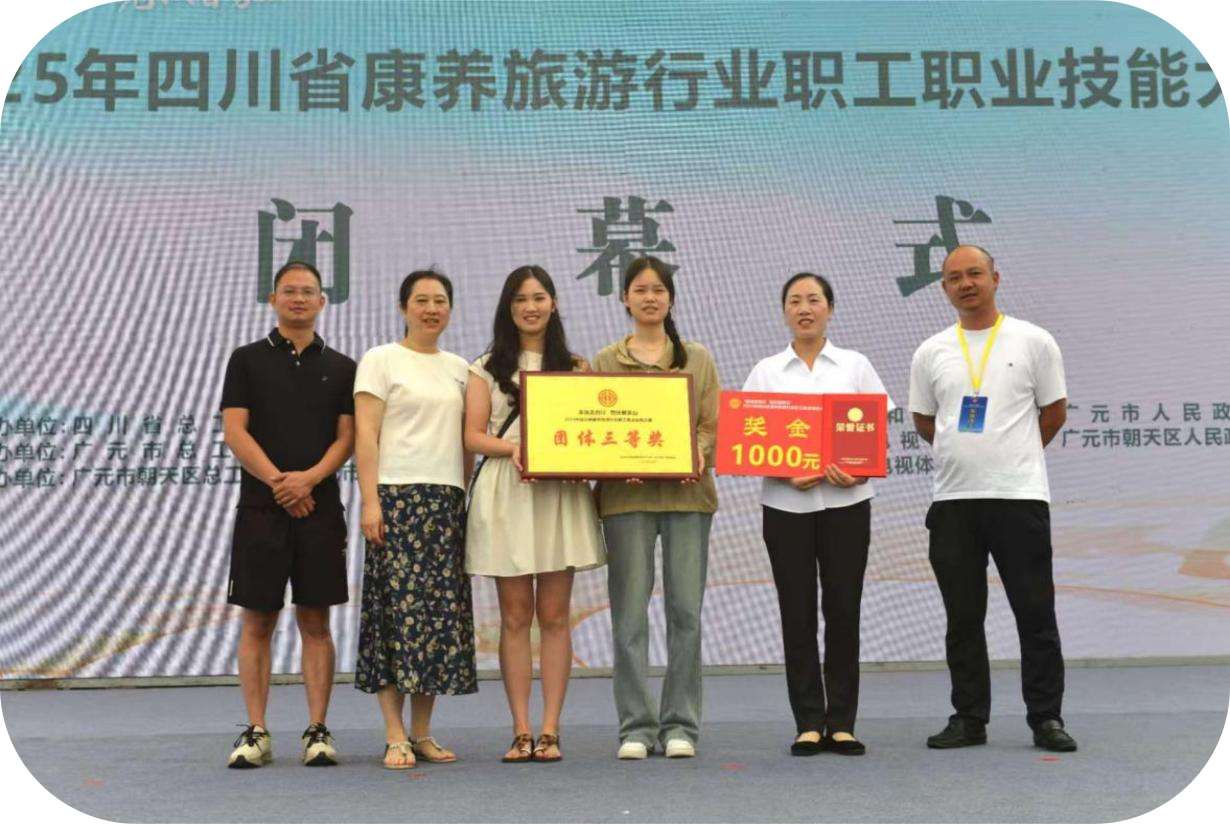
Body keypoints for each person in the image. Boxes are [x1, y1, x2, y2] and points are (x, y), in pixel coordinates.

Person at [909, 244, 1077, 753]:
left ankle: (1046, 718)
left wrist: (1011, 456)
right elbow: (925, 421)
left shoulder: (1034, 341)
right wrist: (968, 454)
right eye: (954, 277)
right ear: (944, 288)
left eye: (975, 273)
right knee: (962, 618)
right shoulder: (931, 351)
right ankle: (969, 717)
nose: (966, 284)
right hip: (954, 501)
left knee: (1035, 612)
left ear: (995, 278)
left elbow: (1054, 412)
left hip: (1018, 497)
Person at [742, 272, 893, 756]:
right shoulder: (766, 370)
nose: (804, 308)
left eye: (813, 300)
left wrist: (861, 471)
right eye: (795, 301)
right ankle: (808, 722)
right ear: (784, 312)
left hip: (847, 506)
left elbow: (877, 432)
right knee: (797, 611)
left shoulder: (855, 364)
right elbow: (748, 439)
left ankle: (842, 722)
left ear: (830, 308)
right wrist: (784, 471)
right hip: (785, 507)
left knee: (844, 610)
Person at [464, 265, 606, 763]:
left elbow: (593, 433)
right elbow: (472, 435)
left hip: (559, 494)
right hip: (509, 490)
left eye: (539, 297)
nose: (531, 307)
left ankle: (550, 730)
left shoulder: (576, 367)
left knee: (555, 616)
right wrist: (513, 450)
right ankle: (520, 729)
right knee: (515, 616)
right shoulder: (485, 367)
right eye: (521, 299)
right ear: (508, 308)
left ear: (554, 304)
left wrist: (584, 463)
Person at [221, 260, 356, 768]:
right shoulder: (246, 360)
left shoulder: (342, 366)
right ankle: (256, 730)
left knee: (316, 621)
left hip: (320, 508)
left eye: (308, 291)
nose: (298, 299)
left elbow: (346, 438)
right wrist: (281, 483)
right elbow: (235, 431)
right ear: (273, 299)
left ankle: (317, 729)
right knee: (258, 621)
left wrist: (309, 480)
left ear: (323, 301)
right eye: (289, 291)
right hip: (261, 507)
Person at [593, 256, 719, 760]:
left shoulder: (697, 358)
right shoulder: (605, 362)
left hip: (688, 497)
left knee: (685, 611)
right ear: (624, 298)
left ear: (670, 298)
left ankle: (681, 724)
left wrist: (695, 454)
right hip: (626, 498)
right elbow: (595, 428)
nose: (650, 298)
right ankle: (636, 727)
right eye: (640, 290)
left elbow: (710, 425)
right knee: (629, 616)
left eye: (658, 290)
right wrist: (613, 463)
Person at [352, 269, 478, 770]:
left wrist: (460, 496)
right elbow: (366, 436)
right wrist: (370, 502)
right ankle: (394, 734)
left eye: (440, 300)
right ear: (403, 307)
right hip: (397, 500)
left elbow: (466, 441)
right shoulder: (381, 359)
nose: (431, 309)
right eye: (421, 300)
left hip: (444, 504)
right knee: (394, 617)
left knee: (436, 621)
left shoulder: (460, 369)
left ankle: (422, 732)